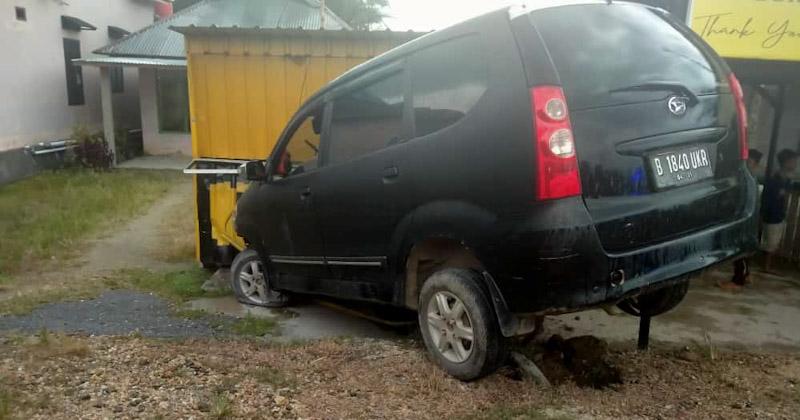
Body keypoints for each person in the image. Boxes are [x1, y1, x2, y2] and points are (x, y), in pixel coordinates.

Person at [720, 149, 763, 290]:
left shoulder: (747, 179)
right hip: (748, 219)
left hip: (744, 219)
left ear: (755, 163)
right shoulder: (751, 178)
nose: (745, 164)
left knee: (740, 251)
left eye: (749, 162)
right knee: (743, 250)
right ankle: (746, 275)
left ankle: (738, 281)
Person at [761, 149, 798, 274]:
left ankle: (767, 265)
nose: (795, 164)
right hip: (773, 214)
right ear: (786, 162)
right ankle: (766, 266)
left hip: (776, 214)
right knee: (771, 241)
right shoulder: (777, 178)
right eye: (793, 161)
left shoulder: (784, 178)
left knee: (772, 240)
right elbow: (771, 198)